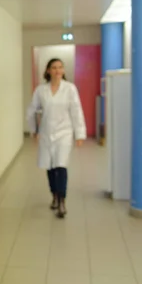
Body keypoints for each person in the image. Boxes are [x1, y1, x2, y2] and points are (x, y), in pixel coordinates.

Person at [27, 58, 86, 218]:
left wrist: (79, 134)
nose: (57, 70)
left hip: (64, 133)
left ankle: (61, 201)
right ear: (48, 71)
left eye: (60, 67)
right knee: (50, 167)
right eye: (54, 67)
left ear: (64, 70)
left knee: (61, 166)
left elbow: (76, 111)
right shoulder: (41, 90)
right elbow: (32, 110)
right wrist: (34, 130)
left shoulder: (70, 89)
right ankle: (54, 194)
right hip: (46, 133)